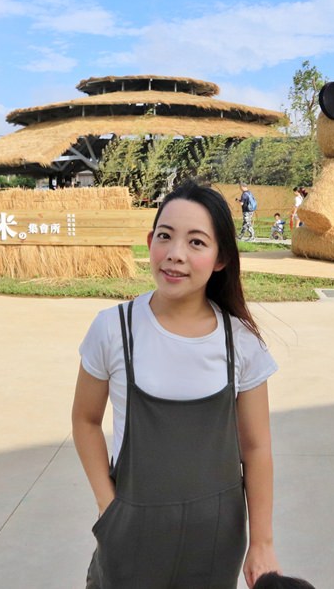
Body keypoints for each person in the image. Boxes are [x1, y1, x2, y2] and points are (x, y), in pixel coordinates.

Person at [73, 180, 279, 588]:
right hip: (129, 536)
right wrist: (107, 505)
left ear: (221, 259)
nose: (175, 254)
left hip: (217, 543)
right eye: (165, 237)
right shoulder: (114, 329)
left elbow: (256, 448)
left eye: (197, 242)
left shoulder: (240, 343)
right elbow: (84, 420)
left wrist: (262, 542)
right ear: (150, 241)